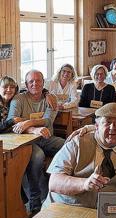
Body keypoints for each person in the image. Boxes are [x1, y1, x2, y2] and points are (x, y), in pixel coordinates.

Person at [43, 103, 116, 208]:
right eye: (108, 122)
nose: (113, 127)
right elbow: (54, 182)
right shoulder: (78, 143)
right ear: (97, 126)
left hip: (108, 210)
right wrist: (84, 184)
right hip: (67, 207)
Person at [7, 69, 65, 213]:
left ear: (43, 82)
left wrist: (27, 123)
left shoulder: (51, 98)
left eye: (38, 80)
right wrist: (33, 129)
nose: (35, 84)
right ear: (26, 84)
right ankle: (35, 202)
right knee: (37, 157)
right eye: (31, 81)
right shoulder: (18, 99)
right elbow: (13, 123)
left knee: (68, 147)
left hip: (46, 138)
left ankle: (64, 193)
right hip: (26, 141)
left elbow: (47, 120)